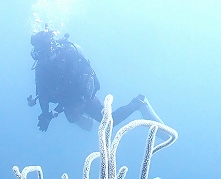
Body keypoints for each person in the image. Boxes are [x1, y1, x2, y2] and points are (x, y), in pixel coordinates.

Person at [27, 27, 162, 133]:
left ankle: (138, 103)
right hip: (68, 98)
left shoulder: (68, 56)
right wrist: (45, 114)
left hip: (83, 94)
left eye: (44, 53)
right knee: (72, 118)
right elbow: (42, 94)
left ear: (51, 48)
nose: (43, 58)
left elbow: (79, 90)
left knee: (110, 122)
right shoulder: (42, 68)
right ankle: (85, 120)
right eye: (39, 54)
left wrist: (53, 113)